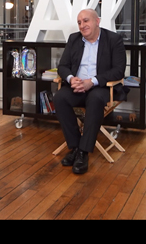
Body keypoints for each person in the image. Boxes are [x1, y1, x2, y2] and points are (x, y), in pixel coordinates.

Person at [53, 9, 127, 174]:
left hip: (101, 87)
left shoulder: (113, 40)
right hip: (77, 86)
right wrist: (71, 79)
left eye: (86, 21)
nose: (82, 25)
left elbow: (118, 70)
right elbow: (62, 66)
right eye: (79, 22)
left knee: (94, 99)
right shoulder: (74, 39)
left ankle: (83, 153)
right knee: (59, 98)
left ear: (97, 21)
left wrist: (91, 82)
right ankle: (75, 147)